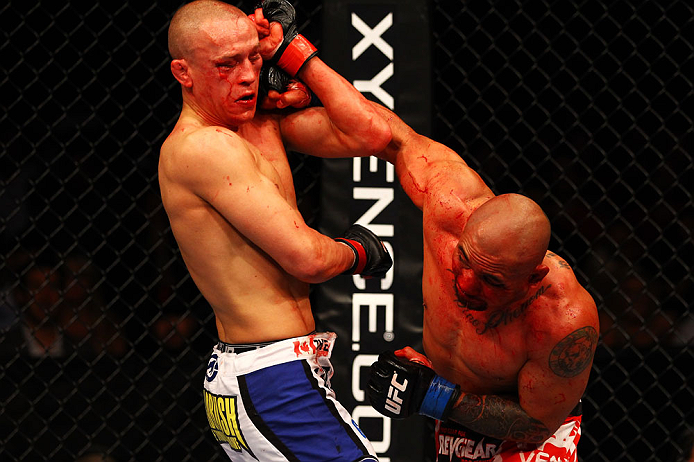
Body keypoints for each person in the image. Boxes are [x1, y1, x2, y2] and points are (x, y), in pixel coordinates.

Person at [159, 1, 392, 460]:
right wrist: (362, 251)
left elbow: (369, 133)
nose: (247, 75)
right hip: (270, 377)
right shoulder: (204, 147)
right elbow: (308, 258)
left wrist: (293, 55)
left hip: (271, 372)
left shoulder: (254, 124)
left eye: (253, 57)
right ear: (184, 73)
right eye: (226, 65)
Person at [365, 104, 599, 462]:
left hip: (531, 445)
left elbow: (537, 424)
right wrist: (298, 61)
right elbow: (389, 135)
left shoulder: (563, 317)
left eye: (492, 279)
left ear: (532, 279)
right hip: (455, 430)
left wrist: (433, 396)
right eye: (465, 260)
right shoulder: (447, 202)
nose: (468, 285)